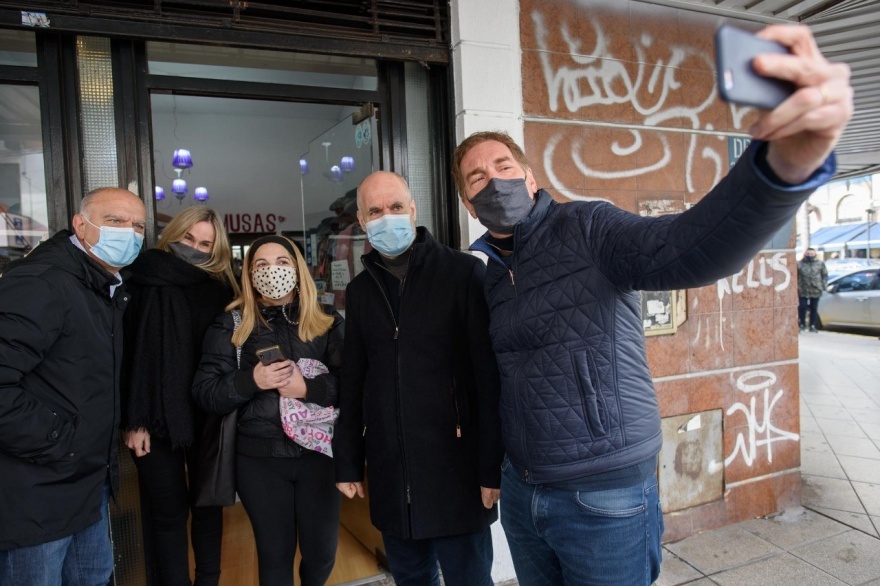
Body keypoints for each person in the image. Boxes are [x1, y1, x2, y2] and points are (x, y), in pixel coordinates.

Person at [452, 24, 852, 586]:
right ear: (468, 204)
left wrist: (778, 170)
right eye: (476, 178)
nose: (492, 182)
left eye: (503, 168)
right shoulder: (489, 274)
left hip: (604, 492)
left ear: (531, 177)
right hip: (524, 491)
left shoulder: (588, 226)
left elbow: (690, 248)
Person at [335, 171, 504, 586]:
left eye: (395, 207)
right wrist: (348, 462)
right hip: (393, 477)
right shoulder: (359, 292)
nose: (386, 217)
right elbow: (353, 381)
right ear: (361, 220)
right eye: (375, 211)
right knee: (411, 580)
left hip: (457, 474)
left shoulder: (464, 274)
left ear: (413, 210)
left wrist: (491, 469)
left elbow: (488, 378)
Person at [0, 187, 146, 584]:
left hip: (84, 484)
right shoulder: (43, 283)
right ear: (80, 226)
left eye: (138, 225)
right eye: (115, 221)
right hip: (38, 490)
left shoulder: (103, 288)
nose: (129, 233)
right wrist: (61, 441)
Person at [192, 235, 344, 586]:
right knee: (274, 557)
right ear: (248, 273)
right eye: (261, 264)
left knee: (322, 553)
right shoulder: (231, 325)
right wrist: (252, 381)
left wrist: (309, 388)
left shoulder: (326, 320)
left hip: (319, 456)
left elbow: (352, 383)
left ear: (297, 269)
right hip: (259, 459)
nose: (272, 270)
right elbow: (205, 392)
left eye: (282, 262)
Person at [122, 206, 240, 586]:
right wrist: (135, 419)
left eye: (206, 243)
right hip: (154, 416)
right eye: (189, 238)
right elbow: (129, 356)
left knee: (207, 509)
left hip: (207, 414)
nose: (196, 248)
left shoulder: (223, 289)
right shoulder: (140, 279)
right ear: (174, 232)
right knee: (168, 514)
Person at [798, 247, 828, 333]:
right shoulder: (800, 264)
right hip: (803, 289)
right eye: (808, 254)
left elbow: (824, 275)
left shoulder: (820, 264)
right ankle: (802, 324)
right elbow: (796, 275)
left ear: (815, 254)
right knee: (802, 307)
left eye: (811, 254)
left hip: (816, 289)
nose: (809, 256)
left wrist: (823, 286)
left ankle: (812, 325)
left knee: (814, 308)